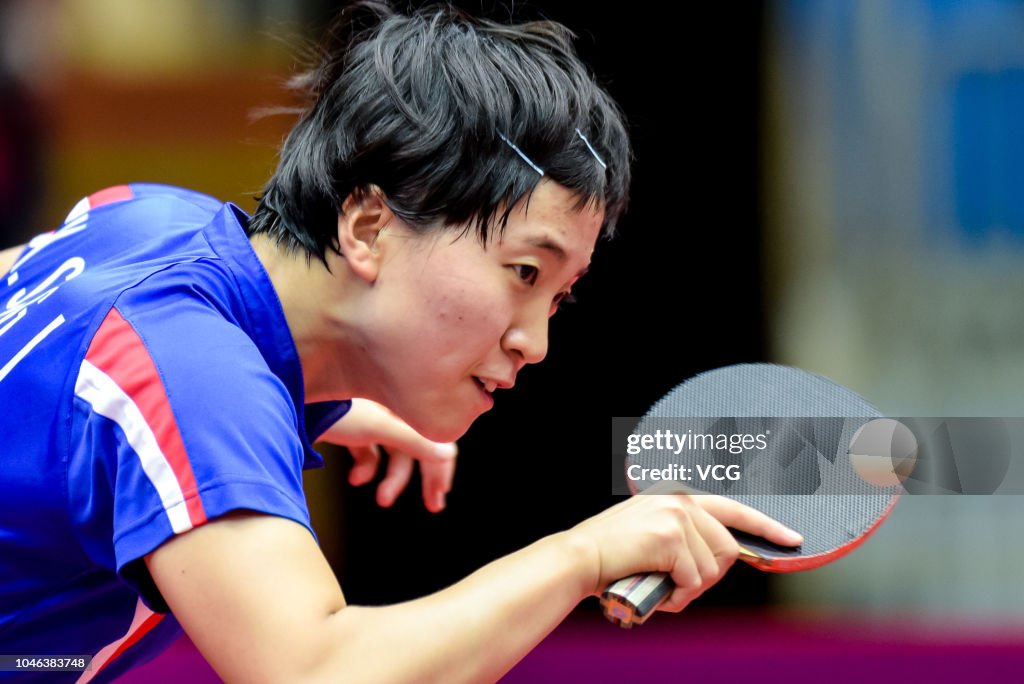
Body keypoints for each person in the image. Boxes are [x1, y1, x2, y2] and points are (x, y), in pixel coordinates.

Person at [0, 2, 802, 682]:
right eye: (523, 271)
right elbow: (312, 668)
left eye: (560, 295)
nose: (538, 343)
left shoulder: (145, 219)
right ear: (369, 225)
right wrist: (580, 557)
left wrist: (311, 404)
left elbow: (72, 368)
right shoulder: (192, 377)